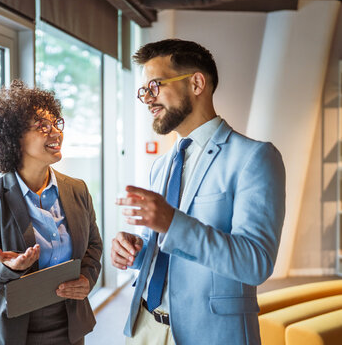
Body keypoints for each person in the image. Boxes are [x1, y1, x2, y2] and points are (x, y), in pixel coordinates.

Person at [111, 39, 285, 345]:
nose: (148, 99)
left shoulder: (254, 158)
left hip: (211, 334)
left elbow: (256, 263)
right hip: (144, 328)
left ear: (196, 82)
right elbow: (164, 248)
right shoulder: (161, 165)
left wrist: (171, 222)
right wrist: (137, 251)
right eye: (144, 92)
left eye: (155, 86)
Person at [0, 80, 103, 345]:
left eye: (56, 123)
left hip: (69, 327)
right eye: (42, 126)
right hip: (11, 332)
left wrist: (87, 279)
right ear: (14, 138)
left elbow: (93, 246)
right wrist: (7, 268)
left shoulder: (77, 189)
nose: (55, 132)